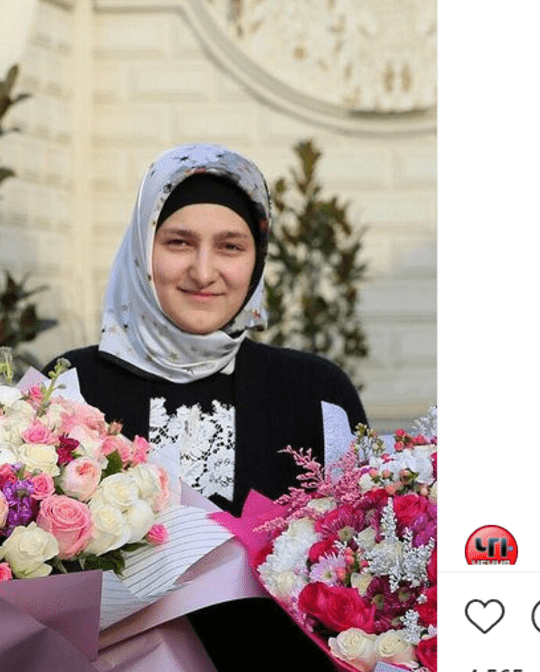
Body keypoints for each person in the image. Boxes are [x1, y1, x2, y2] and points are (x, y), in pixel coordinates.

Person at [50, 143, 367, 671]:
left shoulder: (316, 392)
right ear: (143, 249)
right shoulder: (73, 386)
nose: (203, 271)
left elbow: (355, 571)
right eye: (178, 242)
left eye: (230, 246)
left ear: (258, 257)